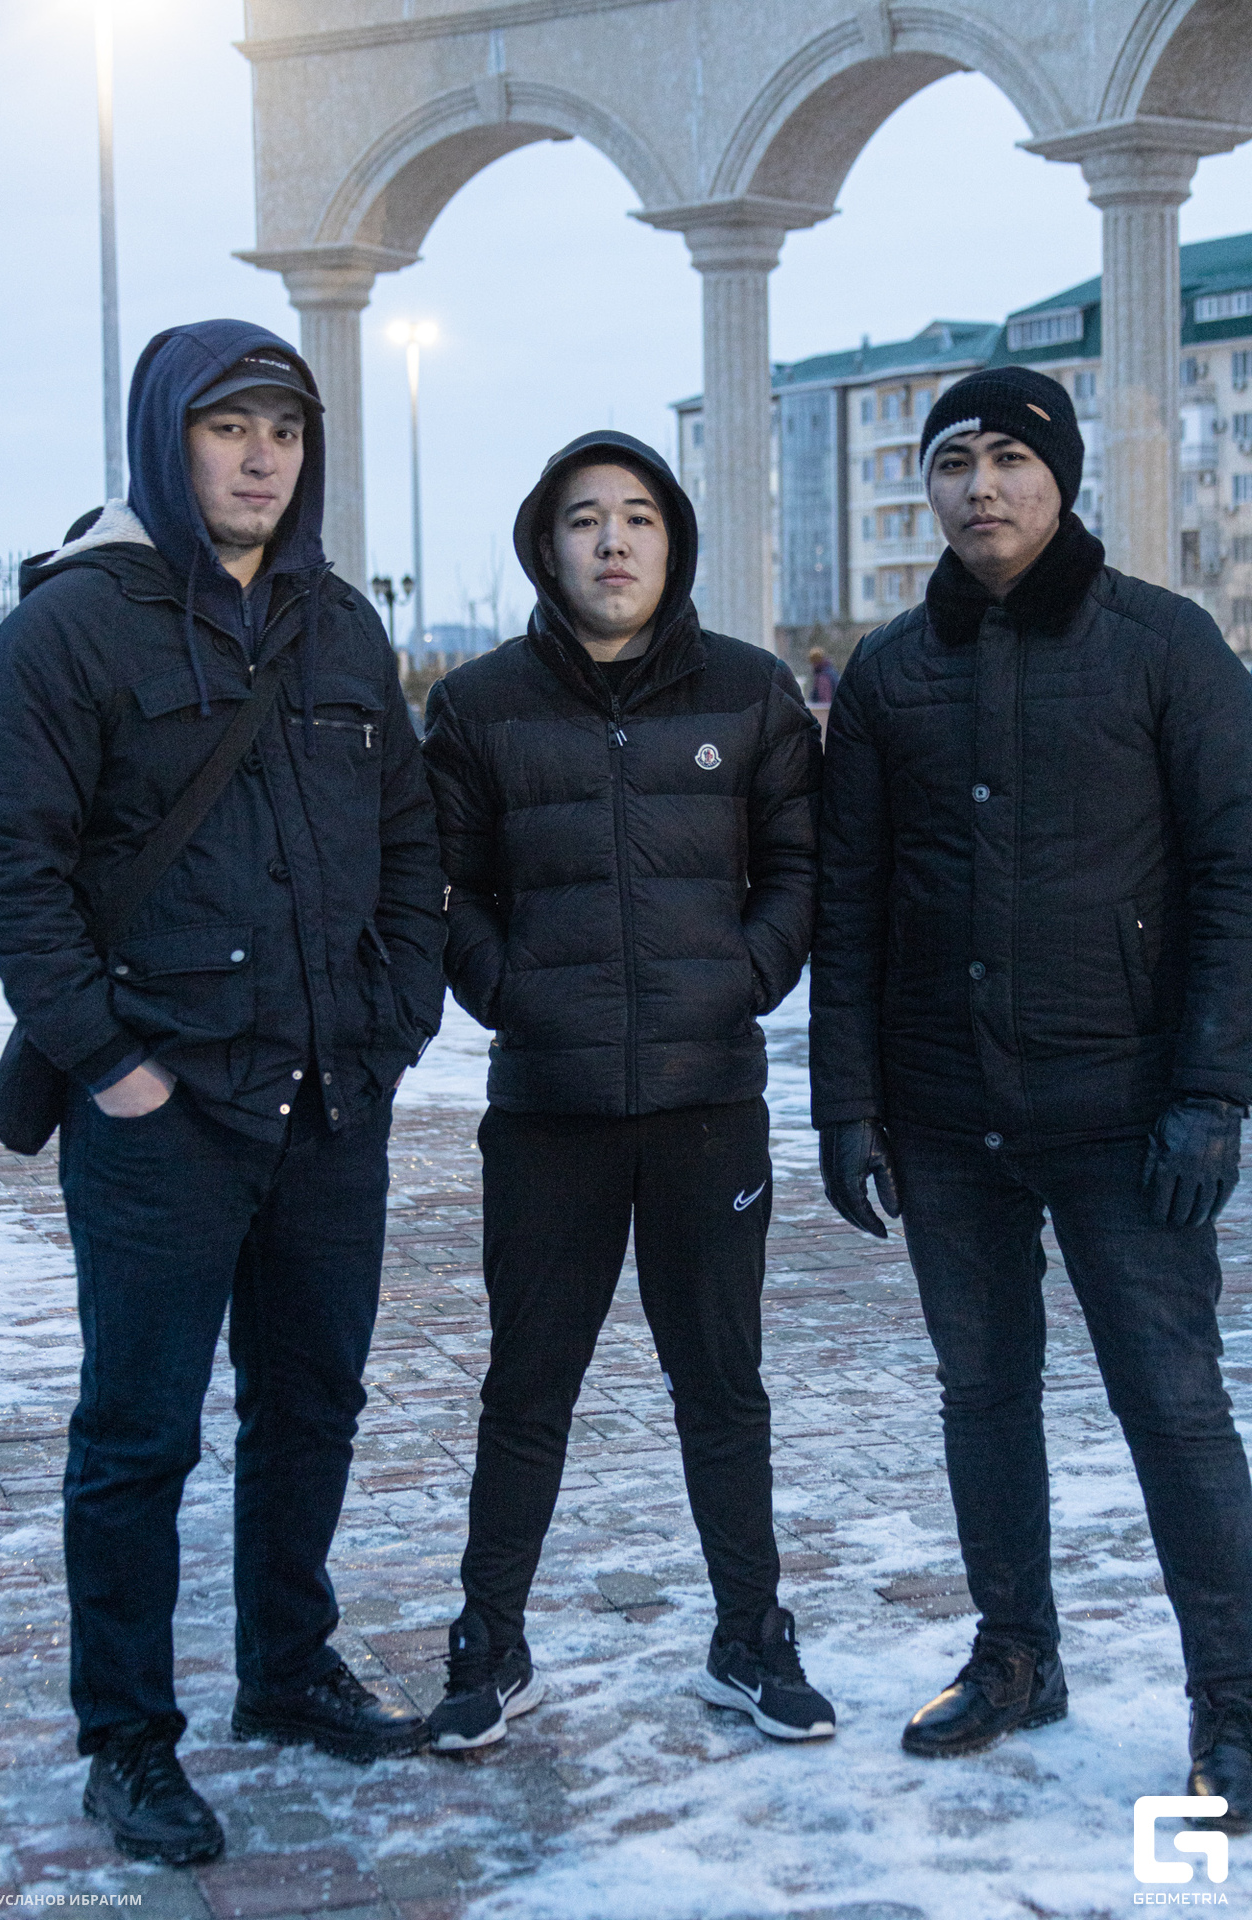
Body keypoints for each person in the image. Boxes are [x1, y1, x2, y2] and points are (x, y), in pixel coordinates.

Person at [0, 321, 446, 1864]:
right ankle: (127, 1737)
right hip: (163, 1114)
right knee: (140, 1433)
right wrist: (111, 1068)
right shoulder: (72, 628)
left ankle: (287, 1669)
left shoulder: (342, 627)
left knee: (313, 1403)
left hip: (329, 1101)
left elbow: (411, 844)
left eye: (285, 431)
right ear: (165, 438)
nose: (261, 458)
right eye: (227, 427)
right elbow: (7, 871)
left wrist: (396, 1019)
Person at [810, 364, 1252, 1824]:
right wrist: (847, 1104)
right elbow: (853, 905)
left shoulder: (1166, 647)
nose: (981, 485)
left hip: (1128, 1112)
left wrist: (1213, 1090)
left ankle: (1236, 1704)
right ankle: (1017, 1656)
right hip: (948, 1115)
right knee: (984, 1393)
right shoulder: (888, 673)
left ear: (1059, 475)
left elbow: (1237, 875)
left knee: (1173, 1407)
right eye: (955, 461)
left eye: (1010, 456)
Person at [421, 430, 832, 1751]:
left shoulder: (751, 692)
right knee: (527, 1384)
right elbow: (445, 887)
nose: (614, 540)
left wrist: (741, 978)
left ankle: (750, 1637)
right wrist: (515, 995)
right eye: (586, 518)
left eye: (640, 516)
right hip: (549, 1106)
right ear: (546, 545)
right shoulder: (481, 706)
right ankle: (491, 1643)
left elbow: (800, 870)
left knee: (722, 1384)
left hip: (709, 1099)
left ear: (674, 540)